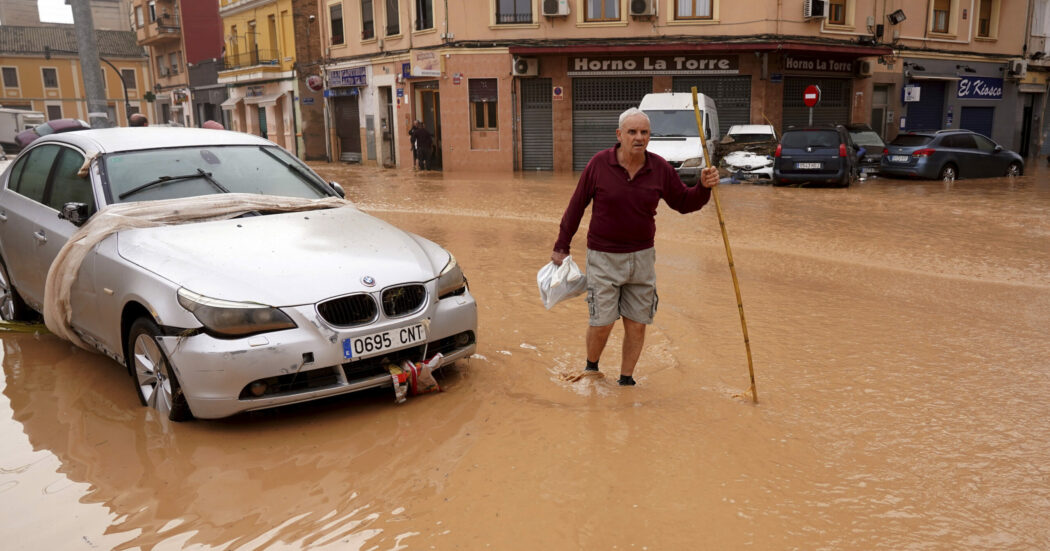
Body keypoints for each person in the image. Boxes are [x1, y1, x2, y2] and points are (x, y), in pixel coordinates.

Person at [551, 107, 719, 386]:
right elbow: (576, 206)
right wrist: (561, 246)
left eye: (644, 132)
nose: (638, 137)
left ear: (650, 136)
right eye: (632, 132)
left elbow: (684, 203)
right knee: (602, 321)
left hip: (642, 258)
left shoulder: (660, 168)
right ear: (619, 135)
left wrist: (703, 187)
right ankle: (591, 368)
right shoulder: (598, 165)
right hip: (603, 257)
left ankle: (626, 380)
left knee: (637, 323)